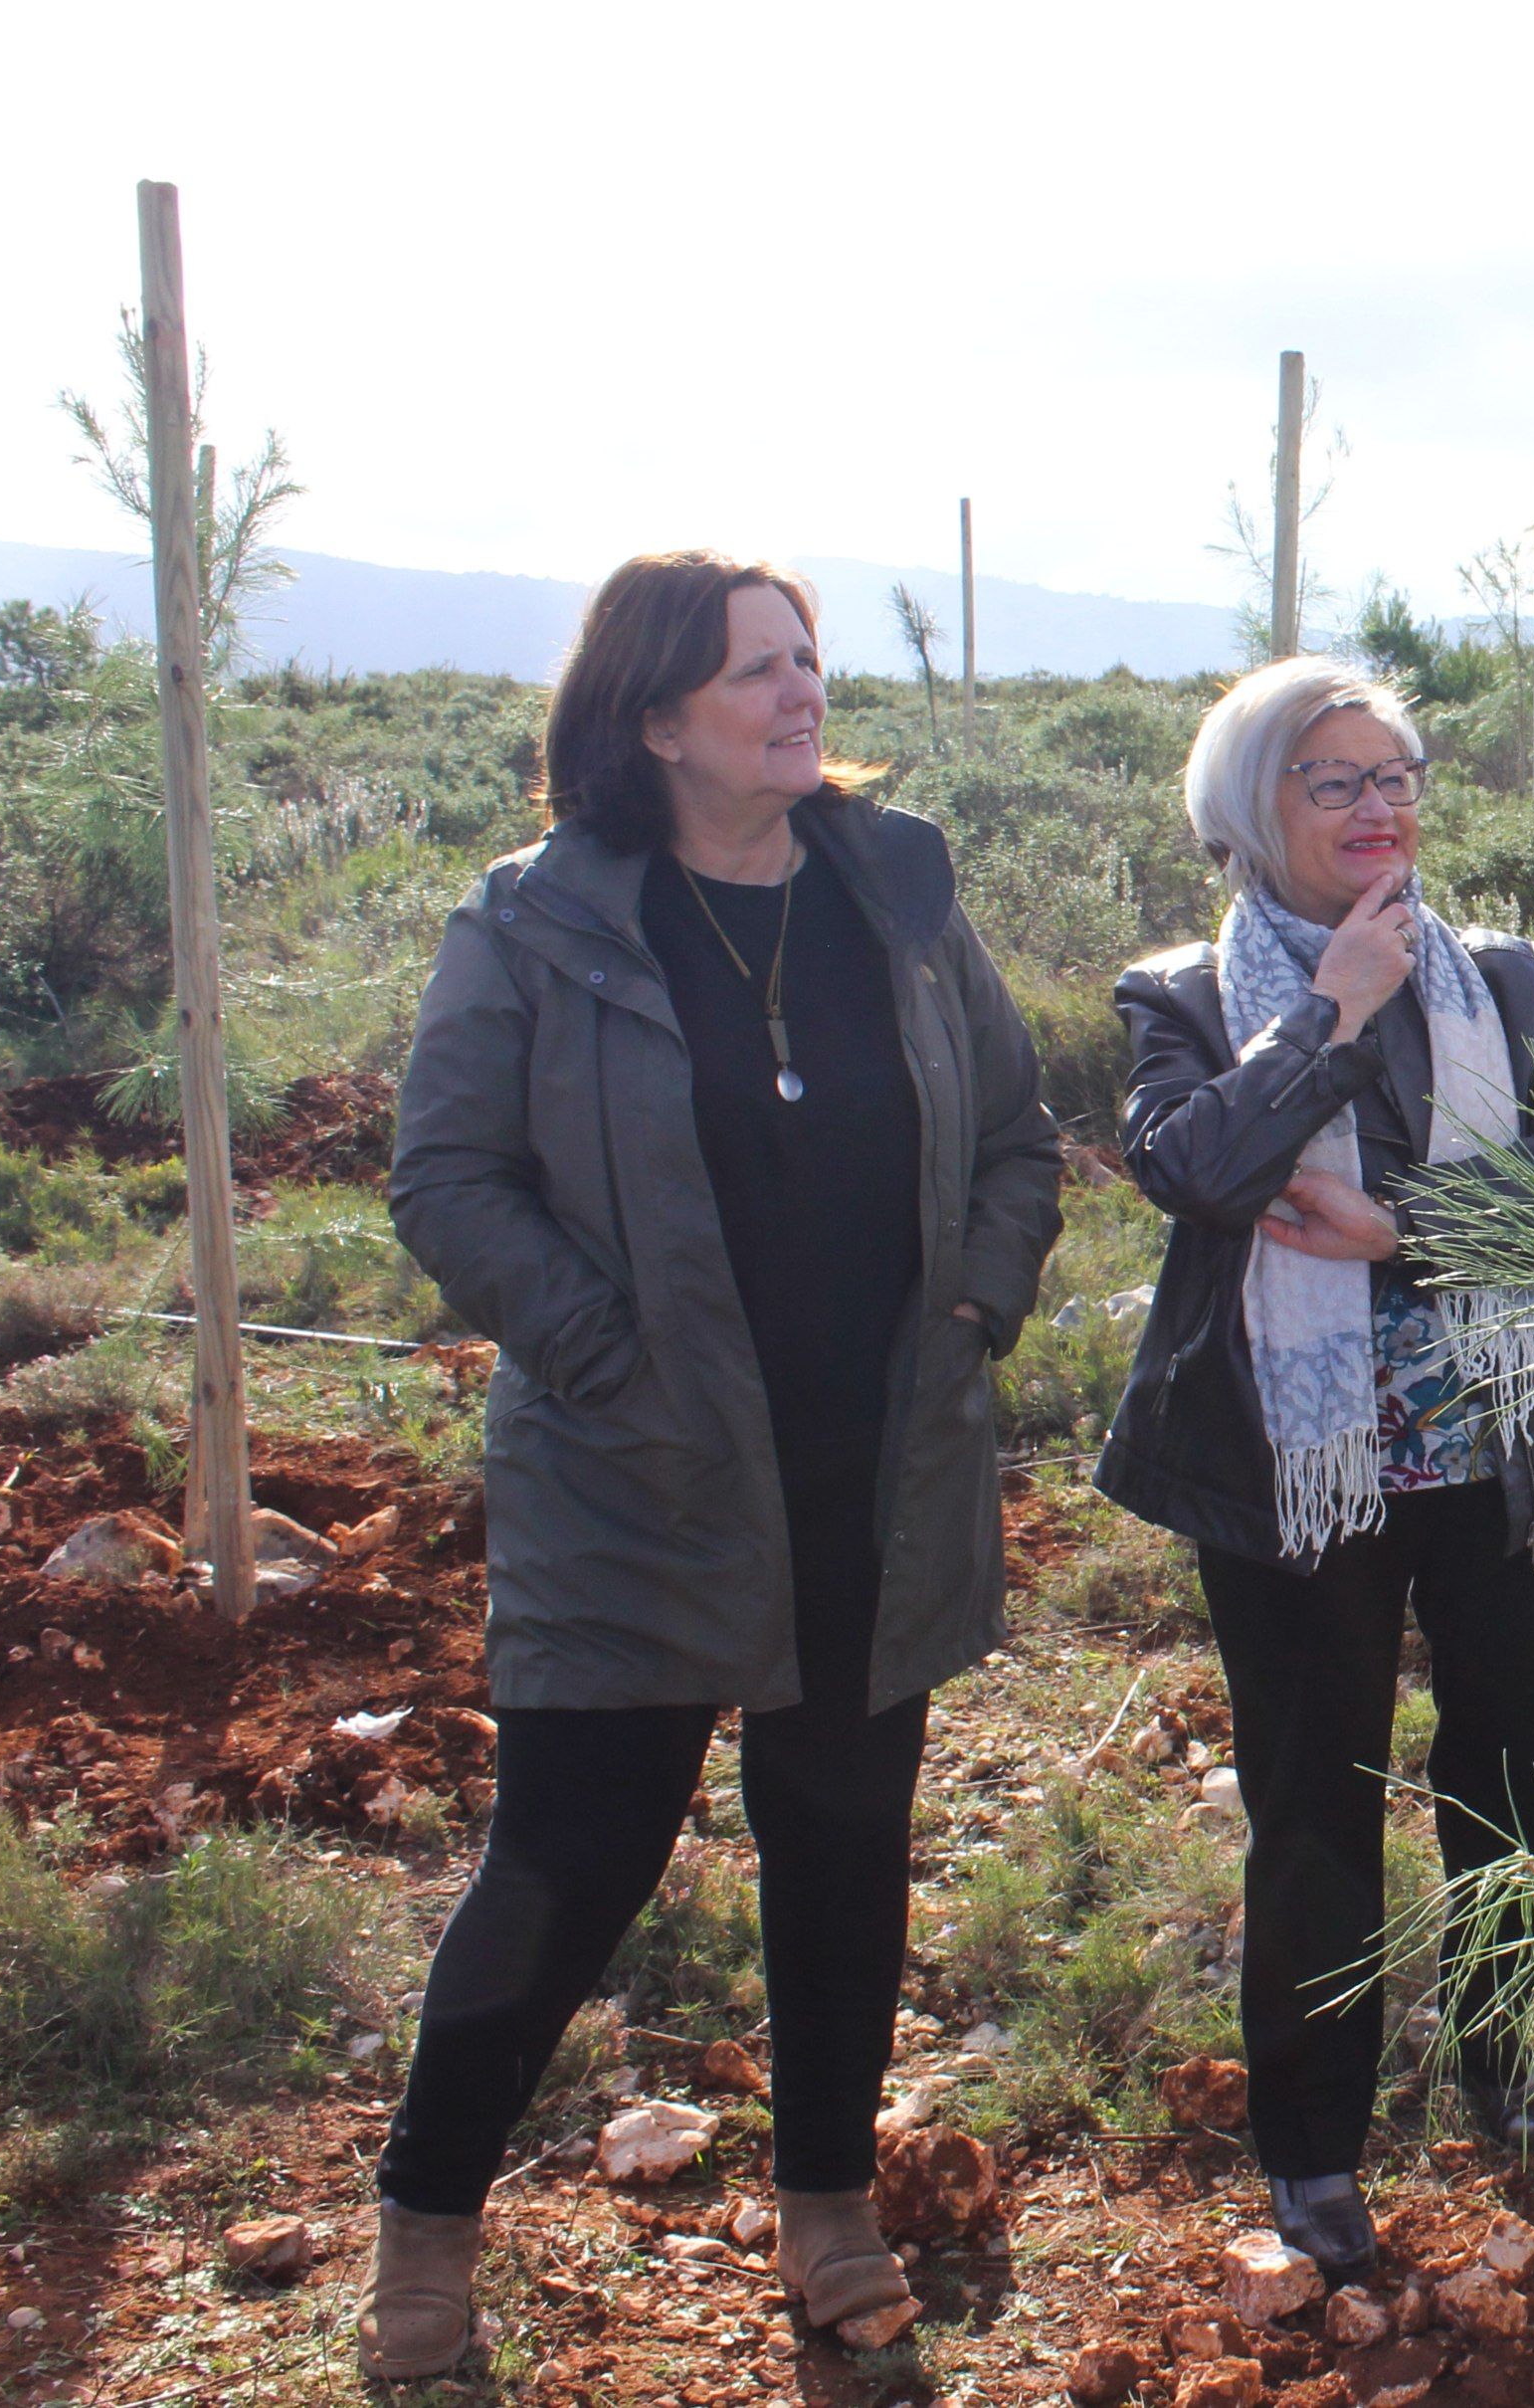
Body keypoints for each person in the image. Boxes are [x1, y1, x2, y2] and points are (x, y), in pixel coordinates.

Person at [360, 553, 1064, 2378]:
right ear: (658, 717)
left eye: (806, 659)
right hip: (638, 1476)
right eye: (758, 670)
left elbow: (1013, 1133)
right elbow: (447, 1177)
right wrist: (608, 1361)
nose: (801, 692)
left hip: (873, 1465)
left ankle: (828, 2206)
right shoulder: (536, 922)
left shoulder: (896, 891)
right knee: (570, 1862)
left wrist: (975, 1308)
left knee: (840, 1844)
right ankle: (427, 2223)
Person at [1094, 655, 1534, 2287]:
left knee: (1516, 1772)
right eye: (1337, 781)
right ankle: (1312, 2148)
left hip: (1501, 1444)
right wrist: (1328, 1010)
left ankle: (1498, 2062)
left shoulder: (1502, 979)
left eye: (1396, 776)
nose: (1381, 806)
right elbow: (1198, 1169)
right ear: (1254, 806)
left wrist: (1403, 1231)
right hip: (1296, 1474)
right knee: (1313, 1804)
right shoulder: (1186, 996)